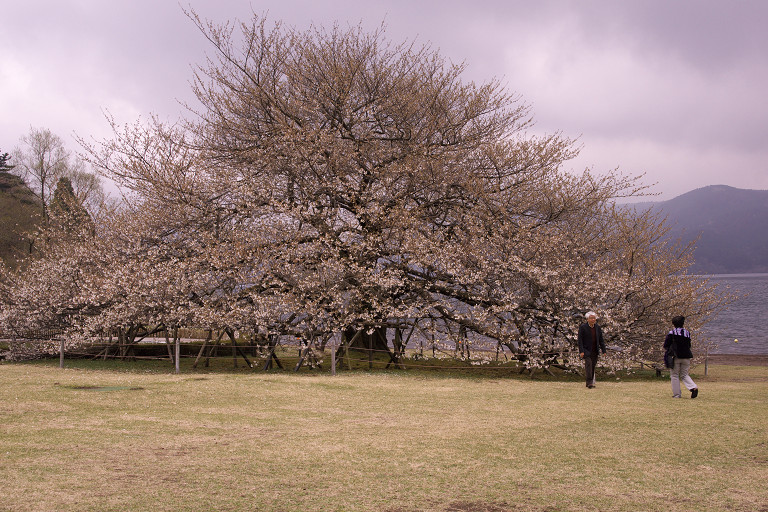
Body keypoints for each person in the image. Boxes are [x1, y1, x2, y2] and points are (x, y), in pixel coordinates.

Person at [663, 315, 698, 399]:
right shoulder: (687, 333)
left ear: (673, 324)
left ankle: (677, 394)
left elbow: (666, 344)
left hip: (676, 356)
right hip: (686, 356)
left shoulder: (672, 333)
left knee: (674, 375)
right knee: (684, 374)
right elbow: (689, 344)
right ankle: (693, 387)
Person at [577, 311, 606, 388]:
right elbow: (580, 340)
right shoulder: (583, 327)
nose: (593, 320)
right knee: (589, 365)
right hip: (586, 350)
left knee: (593, 366)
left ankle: (590, 383)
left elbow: (601, 340)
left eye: (594, 318)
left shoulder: (597, 327)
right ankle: (589, 383)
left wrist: (603, 350)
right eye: (591, 318)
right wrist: (581, 351)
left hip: (595, 350)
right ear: (587, 319)